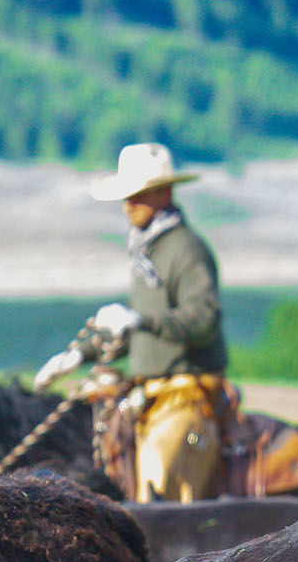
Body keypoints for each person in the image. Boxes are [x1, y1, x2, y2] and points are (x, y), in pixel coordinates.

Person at [37, 143, 231, 500]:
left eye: (138, 195)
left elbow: (203, 320)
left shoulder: (186, 249)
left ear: (165, 192)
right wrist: (80, 355)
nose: (128, 206)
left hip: (185, 397)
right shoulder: (148, 250)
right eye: (126, 197)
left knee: (153, 489)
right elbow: (143, 331)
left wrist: (140, 320)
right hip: (148, 394)